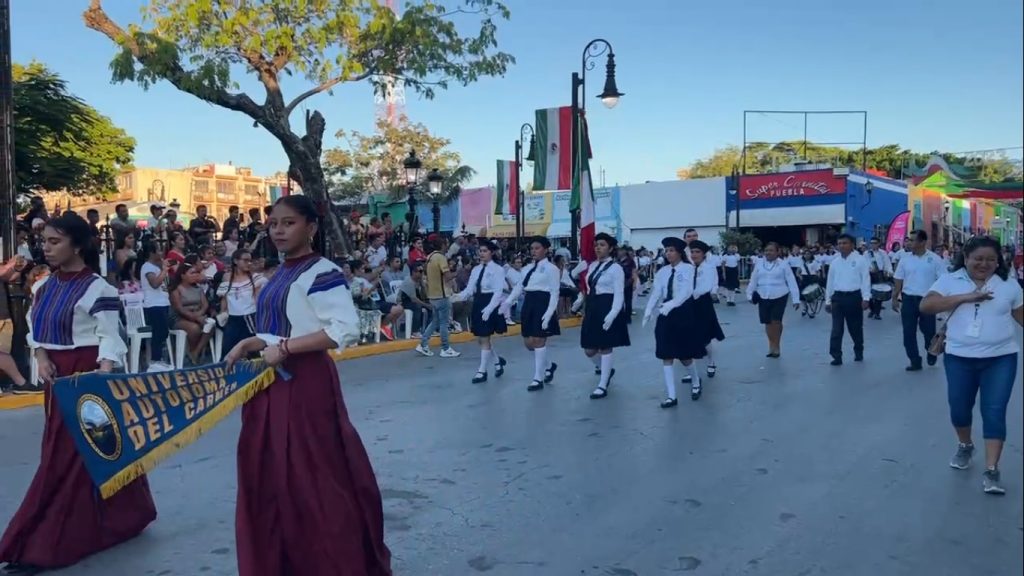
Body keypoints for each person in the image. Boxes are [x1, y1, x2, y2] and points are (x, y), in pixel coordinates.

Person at [223, 195, 391, 575]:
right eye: (273, 224)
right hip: (270, 381)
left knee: (311, 476)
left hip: (305, 382)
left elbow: (343, 330)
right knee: (270, 475)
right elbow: (284, 328)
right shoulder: (280, 273)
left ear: (311, 227)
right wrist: (252, 342)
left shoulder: (322, 271)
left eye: (288, 223)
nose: (278, 231)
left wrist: (284, 348)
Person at [0, 213, 156, 575]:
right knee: (78, 455)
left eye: (55, 241)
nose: (46, 248)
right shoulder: (42, 286)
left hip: (87, 377)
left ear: (78, 245)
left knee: (70, 460)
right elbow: (35, 330)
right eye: (45, 241)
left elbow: (110, 337)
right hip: (56, 377)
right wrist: (41, 357)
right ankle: (127, 514)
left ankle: (43, 545)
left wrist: (100, 378)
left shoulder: (98, 288)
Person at [920, 236, 1024, 495]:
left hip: (1001, 358)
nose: (984, 264)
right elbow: (927, 305)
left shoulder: (1008, 285)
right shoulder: (949, 281)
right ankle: (965, 445)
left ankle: (992, 470)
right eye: (978, 258)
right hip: (959, 358)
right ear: (965, 258)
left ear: (998, 261)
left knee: (994, 411)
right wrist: (966, 297)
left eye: (991, 259)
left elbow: (1021, 316)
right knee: (959, 409)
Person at [644, 237, 700, 407]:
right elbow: (656, 292)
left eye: (671, 250)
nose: (668, 254)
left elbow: (686, 291)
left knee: (684, 355)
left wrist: (672, 305)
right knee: (665, 353)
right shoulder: (663, 271)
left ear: (679, 252)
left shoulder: (688, 269)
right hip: (665, 313)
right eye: (666, 251)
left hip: (682, 312)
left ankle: (696, 381)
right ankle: (671, 396)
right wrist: (648, 310)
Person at [501, 237, 561, 392]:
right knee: (529, 344)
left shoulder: (551, 269)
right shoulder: (527, 268)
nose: (534, 251)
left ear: (545, 250)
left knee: (538, 339)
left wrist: (549, 313)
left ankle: (537, 378)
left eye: (537, 248)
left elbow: (555, 292)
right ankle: (549, 366)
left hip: (543, 302)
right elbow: (519, 287)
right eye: (532, 248)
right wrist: (508, 302)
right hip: (529, 302)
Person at [580, 233, 630, 399]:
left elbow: (619, 293)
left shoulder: (616, 268)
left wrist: (613, 313)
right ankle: (605, 369)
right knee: (589, 349)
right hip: (593, 306)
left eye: (602, 245)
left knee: (605, 346)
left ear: (610, 248)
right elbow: (589, 287)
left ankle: (602, 384)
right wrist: (580, 301)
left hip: (608, 305)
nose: (598, 248)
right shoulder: (593, 265)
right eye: (596, 245)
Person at [452, 240, 508, 384]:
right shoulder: (476, 269)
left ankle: (482, 371)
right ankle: (497, 361)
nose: (482, 254)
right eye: (480, 251)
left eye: (485, 251)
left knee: (484, 337)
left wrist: (489, 309)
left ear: (491, 253)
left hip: (490, 302)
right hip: (478, 301)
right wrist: (457, 297)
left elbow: (498, 292)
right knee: (482, 338)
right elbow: (470, 289)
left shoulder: (498, 270)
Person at [892, 230, 947, 371]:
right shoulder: (905, 259)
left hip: (928, 300)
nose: (908, 243)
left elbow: (943, 280)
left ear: (922, 242)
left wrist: (941, 299)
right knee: (908, 332)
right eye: (908, 240)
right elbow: (898, 279)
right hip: (909, 299)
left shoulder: (935, 259)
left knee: (928, 331)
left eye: (912, 240)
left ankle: (931, 351)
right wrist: (894, 297)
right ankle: (914, 360)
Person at [746, 242, 801, 358]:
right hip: (763, 295)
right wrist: (749, 294)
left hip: (780, 294)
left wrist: (796, 299)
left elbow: (791, 281)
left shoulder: (784, 265)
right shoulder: (759, 264)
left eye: (771, 250)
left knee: (776, 321)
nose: (768, 253)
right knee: (767, 322)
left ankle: (776, 346)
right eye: (766, 250)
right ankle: (771, 344)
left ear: (777, 252)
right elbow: (753, 280)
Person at [825, 234, 871, 366]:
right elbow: (830, 282)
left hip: (854, 297)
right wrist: (828, 300)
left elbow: (865, 279)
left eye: (845, 243)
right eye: (839, 243)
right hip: (838, 298)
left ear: (852, 245)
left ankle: (858, 350)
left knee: (855, 328)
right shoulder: (835, 262)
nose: (842, 246)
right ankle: (836, 356)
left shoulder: (860, 260)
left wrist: (866, 298)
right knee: (836, 329)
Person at [686, 241, 725, 388]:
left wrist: (710, 293)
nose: (694, 255)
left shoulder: (708, 268)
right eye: (692, 252)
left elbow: (709, 285)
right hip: (688, 303)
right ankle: (692, 371)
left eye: (697, 252)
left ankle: (711, 362)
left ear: (703, 254)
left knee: (705, 336)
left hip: (702, 303)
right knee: (689, 336)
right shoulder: (688, 268)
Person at [217, 249, 267, 360]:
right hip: (233, 319)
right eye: (245, 260)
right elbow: (224, 299)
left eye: (250, 261)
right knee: (227, 349)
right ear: (236, 261)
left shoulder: (255, 278)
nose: (249, 263)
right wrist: (222, 313)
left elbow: (258, 300)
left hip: (250, 317)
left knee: (252, 351)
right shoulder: (227, 278)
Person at [415, 235, 460, 358]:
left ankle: (423, 344)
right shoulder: (441, 258)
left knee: (435, 321)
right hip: (441, 294)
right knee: (444, 323)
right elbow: (447, 276)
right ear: (443, 245)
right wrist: (457, 272)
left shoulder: (429, 257)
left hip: (432, 295)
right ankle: (445, 348)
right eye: (446, 243)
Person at [169, 256, 217, 365]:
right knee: (195, 329)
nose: (195, 275)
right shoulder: (176, 290)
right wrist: (195, 318)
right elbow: (179, 309)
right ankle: (192, 352)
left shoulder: (198, 288)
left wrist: (199, 315)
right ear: (183, 276)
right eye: (192, 273)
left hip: (198, 315)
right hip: (180, 318)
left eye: (196, 273)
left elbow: (205, 305)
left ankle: (195, 352)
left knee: (211, 325)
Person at [139, 239, 173, 371]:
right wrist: (164, 271)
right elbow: (154, 284)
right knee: (159, 332)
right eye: (158, 249)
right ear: (151, 253)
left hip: (163, 303)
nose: (161, 252)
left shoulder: (157, 267)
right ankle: (155, 360)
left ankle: (159, 359)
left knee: (163, 331)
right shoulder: (147, 267)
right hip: (154, 305)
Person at [865, 237, 894, 320]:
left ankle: (877, 313)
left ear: (878, 244)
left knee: (879, 293)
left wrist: (889, 271)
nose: (873, 245)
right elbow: (863, 264)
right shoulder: (866, 253)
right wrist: (868, 269)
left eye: (875, 243)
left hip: (880, 274)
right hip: (869, 274)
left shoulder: (883, 253)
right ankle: (872, 310)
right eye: (871, 243)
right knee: (869, 294)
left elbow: (887, 263)